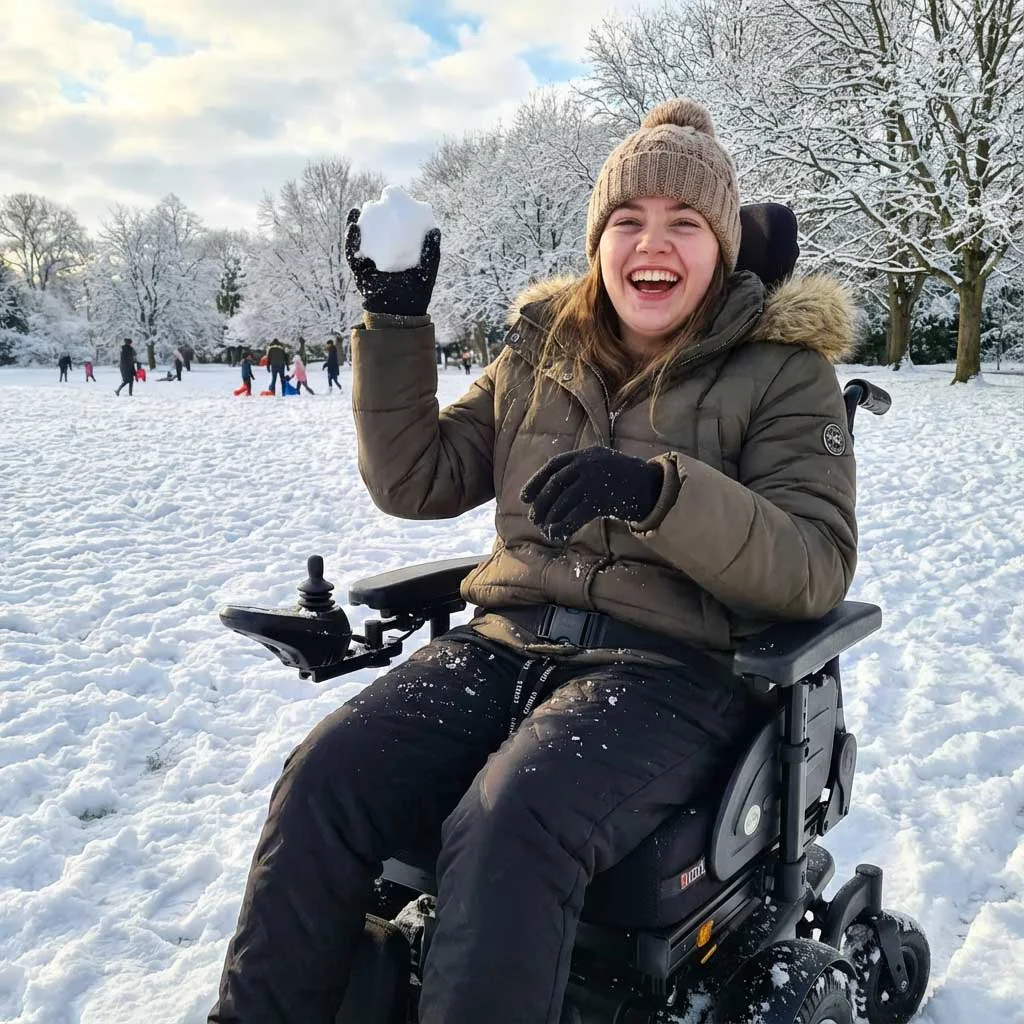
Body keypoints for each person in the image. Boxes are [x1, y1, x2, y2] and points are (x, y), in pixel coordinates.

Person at [208, 99, 857, 1024]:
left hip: (671, 670)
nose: (652, 243)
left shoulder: (784, 369)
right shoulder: (543, 347)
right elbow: (418, 480)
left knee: (510, 819)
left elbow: (815, 563)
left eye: (684, 222)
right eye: (628, 220)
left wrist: (659, 496)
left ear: (720, 244)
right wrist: (394, 323)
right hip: (506, 641)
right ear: (599, 241)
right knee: (324, 777)